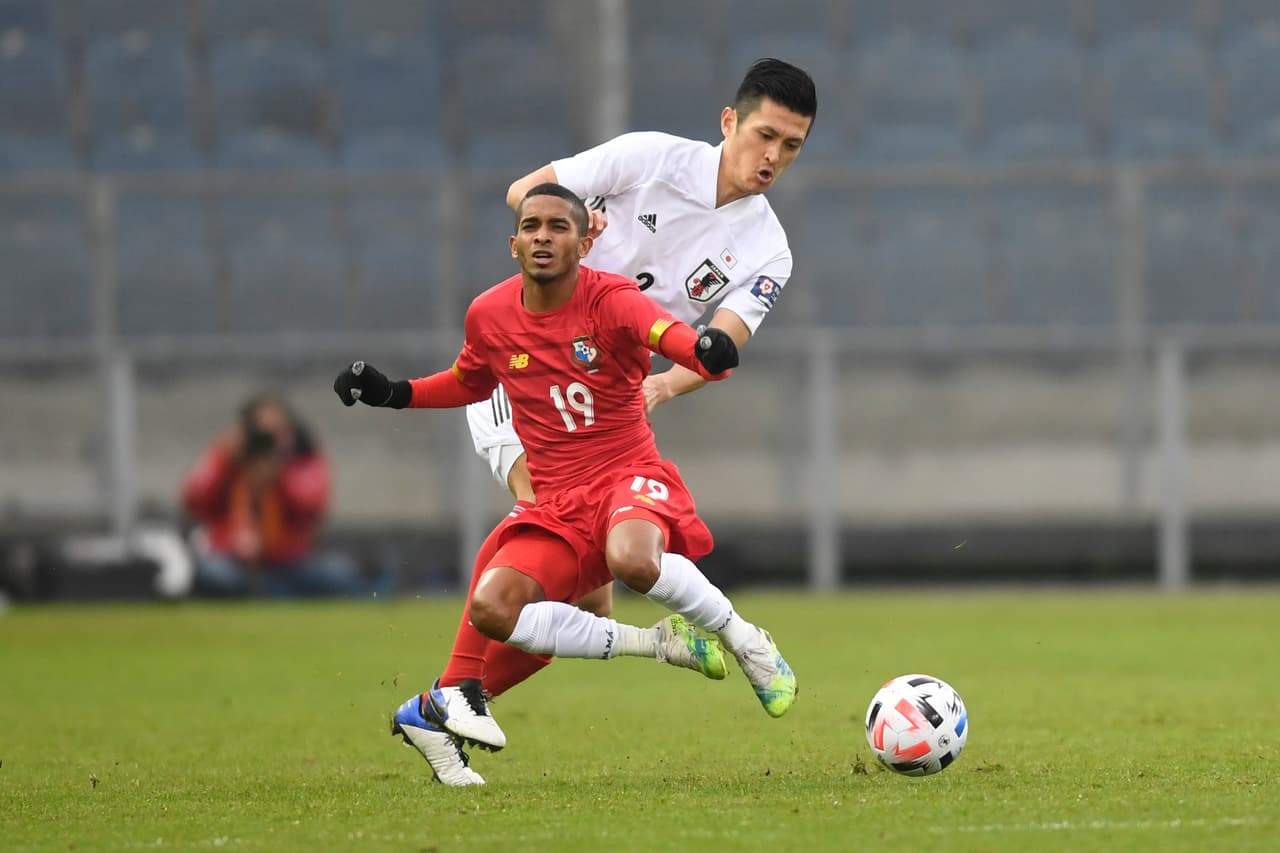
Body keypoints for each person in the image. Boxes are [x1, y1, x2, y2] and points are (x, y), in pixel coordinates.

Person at [334, 184, 797, 785]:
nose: (543, 237)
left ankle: (743, 638)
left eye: (558, 227)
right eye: (532, 226)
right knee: (495, 607)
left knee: (629, 560)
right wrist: (392, 394)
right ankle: (440, 705)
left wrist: (706, 348)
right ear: (514, 242)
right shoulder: (489, 314)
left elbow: (667, 337)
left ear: (585, 242)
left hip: (627, 473)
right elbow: (468, 381)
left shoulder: (614, 299)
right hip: (558, 502)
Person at [435, 57, 816, 739]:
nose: (772, 157)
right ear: (729, 122)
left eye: (791, 146)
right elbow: (525, 191)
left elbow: (720, 342)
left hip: (602, 407)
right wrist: (577, 228)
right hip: (527, 371)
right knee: (535, 545)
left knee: (592, 605)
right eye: (764, 135)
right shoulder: (648, 158)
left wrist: (668, 382)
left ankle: (448, 700)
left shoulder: (769, 249)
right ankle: (451, 695)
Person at [181, 393, 377, 598]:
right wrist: (223, 458)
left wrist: (280, 476)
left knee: (336, 574)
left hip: (290, 563)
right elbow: (193, 499)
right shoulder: (229, 459)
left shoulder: (303, 457)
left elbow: (313, 506)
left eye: (276, 431)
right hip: (235, 562)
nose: (267, 440)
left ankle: (270, 593)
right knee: (214, 574)